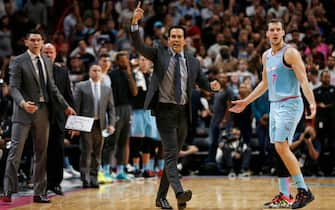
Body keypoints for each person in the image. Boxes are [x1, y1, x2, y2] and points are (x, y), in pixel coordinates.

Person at [131, 2, 220, 209]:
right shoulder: (159, 53)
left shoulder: (193, 61)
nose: (177, 40)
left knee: (172, 157)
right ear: (168, 39)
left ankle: (161, 198)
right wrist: (135, 25)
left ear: (184, 40)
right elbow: (139, 46)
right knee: (171, 153)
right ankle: (179, 193)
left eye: (180, 37)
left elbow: (204, 84)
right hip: (164, 112)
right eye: (173, 37)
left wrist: (214, 86)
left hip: (183, 114)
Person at [229, 19, 316, 209]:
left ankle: (304, 191)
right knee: (277, 149)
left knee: (282, 147)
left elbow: (303, 79)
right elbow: (264, 84)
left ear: (283, 32)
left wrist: (312, 102)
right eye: (271, 30)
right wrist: (246, 101)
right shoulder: (266, 56)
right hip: (274, 105)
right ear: (267, 34)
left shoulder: (291, 53)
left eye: (278, 29)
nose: (275, 32)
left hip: (291, 104)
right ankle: (284, 195)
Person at [1, 30, 76, 203]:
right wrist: (22, 104)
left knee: (41, 153)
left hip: (43, 111)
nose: (36, 43)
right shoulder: (18, 61)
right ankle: (7, 190)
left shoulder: (47, 63)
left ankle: (39, 192)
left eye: (38, 40)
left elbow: (53, 89)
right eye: (32, 40)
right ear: (26, 42)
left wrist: (66, 107)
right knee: (15, 152)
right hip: (23, 112)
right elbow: (13, 88)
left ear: (42, 42)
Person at [74, 65, 116, 188]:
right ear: (89, 72)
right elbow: (76, 107)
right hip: (86, 123)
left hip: (100, 124)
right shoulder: (81, 86)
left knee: (97, 152)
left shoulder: (107, 89)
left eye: (99, 71)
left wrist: (112, 124)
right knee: (86, 151)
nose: (97, 73)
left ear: (102, 73)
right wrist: (75, 125)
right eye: (94, 70)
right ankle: (85, 178)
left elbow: (111, 108)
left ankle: (94, 178)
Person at [42, 43, 75, 196]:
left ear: (55, 54)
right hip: (41, 118)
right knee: (41, 152)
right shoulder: (36, 71)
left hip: (59, 118)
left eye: (51, 52)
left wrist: (74, 122)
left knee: (57, 151)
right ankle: (41, 183)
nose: (48, 55)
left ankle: (55, 183)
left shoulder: (62, 72)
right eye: (46, 52)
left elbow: (69, 96)